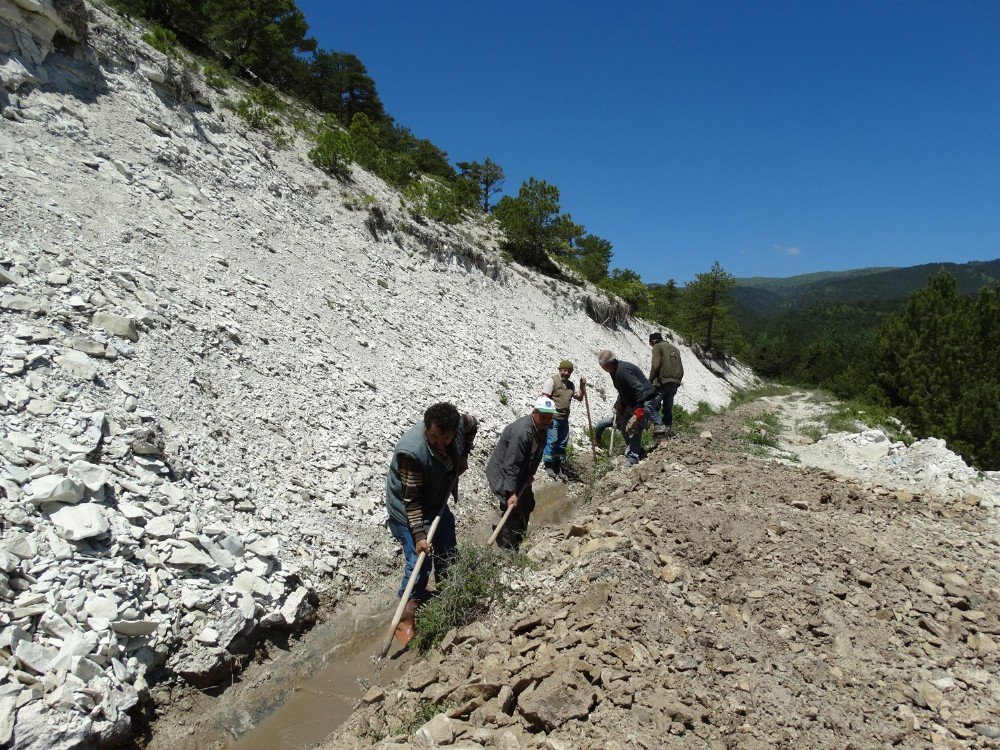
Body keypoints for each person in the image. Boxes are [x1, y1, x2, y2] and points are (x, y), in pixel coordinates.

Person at [385, 402, 478, 645]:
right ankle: (406, 614)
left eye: (445, 439)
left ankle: (451, 590)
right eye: (434, 437)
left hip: (436, 501)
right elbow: (412, 501)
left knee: (447, 546)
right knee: (419, 562)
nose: (440, 443)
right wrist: (419, 536)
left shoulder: (459, 425)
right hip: (408, 510)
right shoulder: (412, 453)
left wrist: (464, 454)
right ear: (427, 427)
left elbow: (472, 424)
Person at [485, 396, 557, 551]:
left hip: (520, 472)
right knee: (513, 510)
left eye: (549, 417)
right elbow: (511, 465)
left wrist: (530, 473)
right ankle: (507, 546)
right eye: (543, 416)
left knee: (528, 503)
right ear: (534, 413)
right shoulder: (522, 432)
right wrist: (511, 493)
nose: (546, 420)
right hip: (503, 473)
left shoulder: (542, 428)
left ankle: (520, 538)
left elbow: (537, 454)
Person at [595, 350, 662, 465]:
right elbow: (623, 390)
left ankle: (633, 457)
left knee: (634, 425)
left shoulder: (622, 370)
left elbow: (639, 389)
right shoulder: (614, 370)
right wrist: (620, 405)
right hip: (633, 401)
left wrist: (640, 410)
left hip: (646, 399)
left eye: (602, 366)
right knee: (623, 424)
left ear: (606, 365)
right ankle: (637, 450)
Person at [540, 360, 587, 480]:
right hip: (553, 417)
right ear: (560, 370)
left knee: (562, 443)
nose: (566, 373)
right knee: (552, 440)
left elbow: (580, 397)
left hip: (564, 418)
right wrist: (546, 416)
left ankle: (558, 467)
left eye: (569, 371)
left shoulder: (571, 385)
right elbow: (545, 398)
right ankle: (548, 465)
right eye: (564, 370)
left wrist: (582, 386)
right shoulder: (552, 381)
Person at [648, 332, 684, 437]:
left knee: (652, 407)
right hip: (674, 383)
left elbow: (655, 366)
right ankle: (667, 432)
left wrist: (649, 381)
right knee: (668, 410)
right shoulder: (675, 349)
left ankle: (660, 432)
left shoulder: (658, 347)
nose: (651, 346)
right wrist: (677, 382)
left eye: (651, 344)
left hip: (662, 383)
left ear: (654, 341)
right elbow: (681, 369)